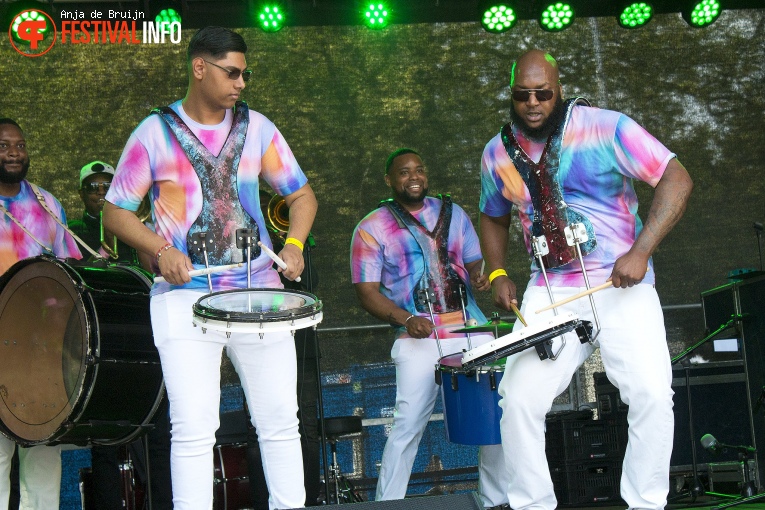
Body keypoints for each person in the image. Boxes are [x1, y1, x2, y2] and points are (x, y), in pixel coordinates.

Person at [102, 26, 318, 510]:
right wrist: (160, 251)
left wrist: (296, 244)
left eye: (245, 74)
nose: (241, 83)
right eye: (233, 72)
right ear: (200, 67)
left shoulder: (257, 127)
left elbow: (302, 195)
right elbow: (115, 211)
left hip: (258, 293)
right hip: (184, 300)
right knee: (194, 427)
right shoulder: (154, 131)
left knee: (281, 420)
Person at [479, 50, 693, 510]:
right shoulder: (496, 151)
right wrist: (497, 272)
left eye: (543, 93)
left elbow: (677, 178)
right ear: (511, 94)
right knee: (517, 399)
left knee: (653, 394)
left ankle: (646, 504)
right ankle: (532, 505)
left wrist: (641, 250)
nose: (533, 103)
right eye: (523, 95)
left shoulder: (606, 126)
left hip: (622, 286)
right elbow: (493, 216)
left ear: (559, 88)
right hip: (550, 291)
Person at [350, 148, 509, 509]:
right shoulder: (371, 226)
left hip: (469, 330)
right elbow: (366, 292)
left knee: (493, 416)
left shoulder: (453, 213)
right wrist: (406, 319)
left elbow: (472, 265)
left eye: (419, 169)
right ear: (389, 180)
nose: (414, 177)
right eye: (404, 172)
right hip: (417, 336)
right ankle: (387, 504)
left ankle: (495, 501)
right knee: (407, 424)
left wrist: (481, 277)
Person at [68, 160, 173, 510]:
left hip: (145, 343)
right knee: (105, 441)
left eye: (106, 187)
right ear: (82, 194)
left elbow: (153, 271)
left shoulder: (134, 227)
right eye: (92, 187)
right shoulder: (70, 230)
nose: (99, 193)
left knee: (157, 433)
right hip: (100, 348)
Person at [0, 117, 81, 509]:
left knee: (44, 457)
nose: (14, 152)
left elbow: (70, 272)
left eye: (20, 145)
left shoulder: (48, 204)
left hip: (43, 352)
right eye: (3, 146)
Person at [246, 190, 322, 508]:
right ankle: (265, 500)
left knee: (305, 424)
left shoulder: (293, 239)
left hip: (300, 345)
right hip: (257, 339)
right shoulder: (242, 237)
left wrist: (287, 241)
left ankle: (309, 498)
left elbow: (310, 281)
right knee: (262, 422)